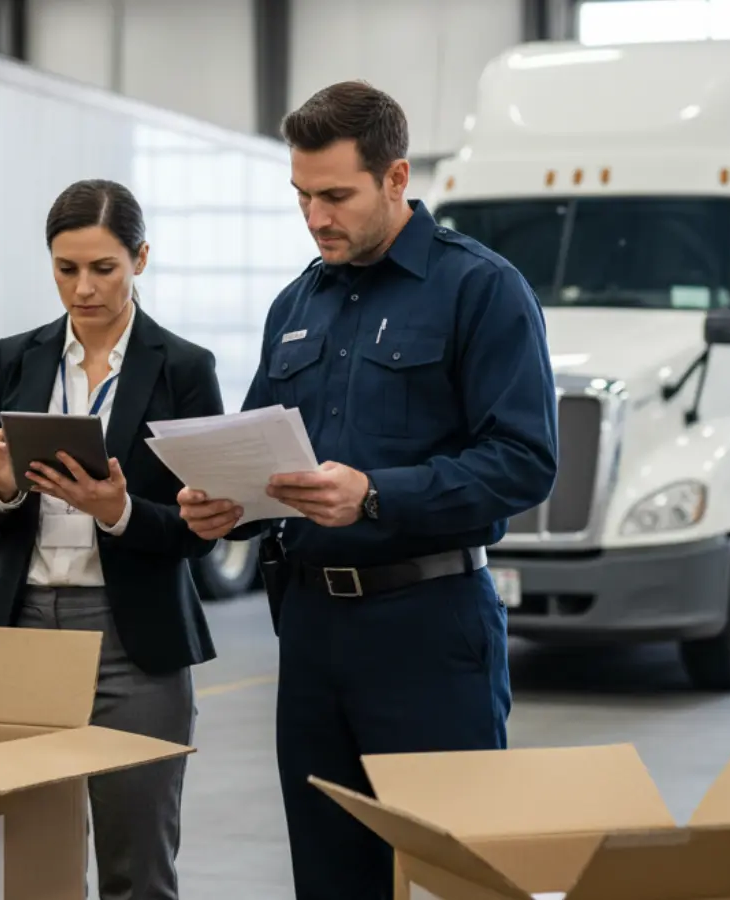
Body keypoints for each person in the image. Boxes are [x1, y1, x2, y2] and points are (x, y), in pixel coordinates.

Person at [176, 81, 561, 899]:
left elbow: (525, 460)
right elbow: (258, 454)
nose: (316, 217)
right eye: (302, 196)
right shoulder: (297, 303)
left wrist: (377, 494)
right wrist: (225, 508)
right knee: (329, 875)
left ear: (396, 178)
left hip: (428, 631)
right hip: (312, 634)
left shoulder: (480, 289)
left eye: (336, 195)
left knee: (454, 875)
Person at [0, 179, 222, 900]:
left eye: (103, 268)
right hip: (22, 627)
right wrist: (6, 487)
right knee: (26, 860)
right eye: (66, 268)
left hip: (134, 640)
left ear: (140, 258)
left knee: (138, 866)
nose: (83, 288)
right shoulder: (15, 360)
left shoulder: (185, 369)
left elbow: (201, 530)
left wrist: (120, 512)